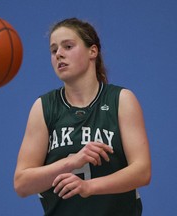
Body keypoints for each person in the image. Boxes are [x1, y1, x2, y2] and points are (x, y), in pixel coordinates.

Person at [14, 17, 151, 216]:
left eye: (68, 46)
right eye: (54, 50)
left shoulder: (121, 100)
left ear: (92, 51)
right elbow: (22, 184)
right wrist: (71, 162)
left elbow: (142, 171)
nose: (59, 54)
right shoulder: (44, 107)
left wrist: (90, 187)